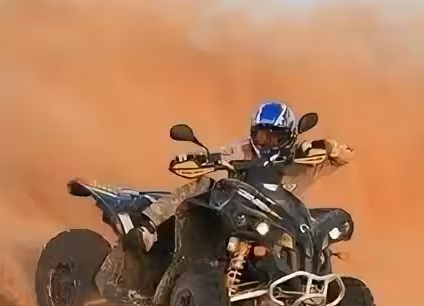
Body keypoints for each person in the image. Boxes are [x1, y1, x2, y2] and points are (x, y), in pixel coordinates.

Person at [123, 100, 354, 253]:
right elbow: (217, 156)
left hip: (286, 230)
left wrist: (331, 147)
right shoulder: (240, 150)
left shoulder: (302, 161)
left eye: (275, 137)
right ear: (254, 133)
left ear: (289, 136)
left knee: (323, 231)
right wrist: (198, 158)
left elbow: (343, 156)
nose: (267, 142)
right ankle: (148, 228)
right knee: (204, 184)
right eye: (263, 136)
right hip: (240, 218)